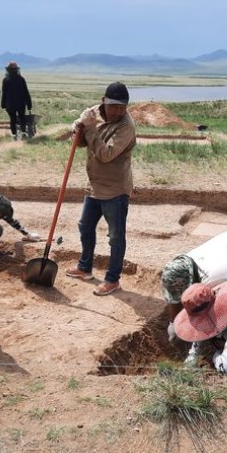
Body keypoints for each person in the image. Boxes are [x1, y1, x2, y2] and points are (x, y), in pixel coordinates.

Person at [65, 81, 136, 296]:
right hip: (94, 185)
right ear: (103, 102)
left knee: (115, 237)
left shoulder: (126, 126)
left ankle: (112, 279)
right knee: (85, 226)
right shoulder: (93, 114)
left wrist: (89, 128)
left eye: (122, 107)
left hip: (115, 190)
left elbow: (105, 155)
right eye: (114, 106)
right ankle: (85, 267)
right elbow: (79, 142)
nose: (118, 111)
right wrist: (77, 127)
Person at [1, 61, 32, 141]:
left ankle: (14, 135)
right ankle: (24, 134)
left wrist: (3, 105)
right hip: (21, 103)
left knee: (13, 119)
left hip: (10, 104)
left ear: (8, 70)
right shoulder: (21, 79)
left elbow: (4, 94)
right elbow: (26, 92)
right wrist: (29, 104)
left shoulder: (5, 80)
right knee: (22, 118)